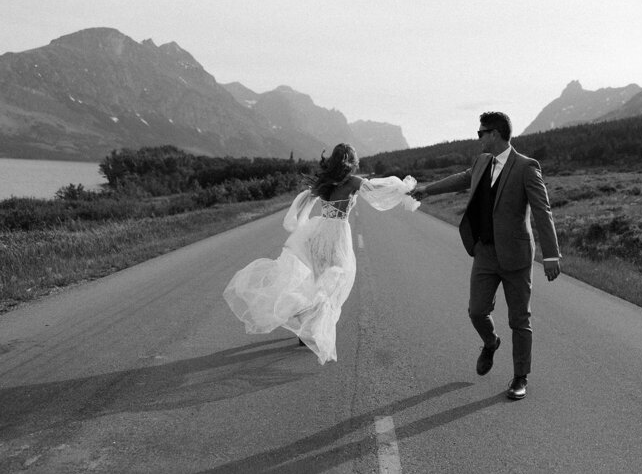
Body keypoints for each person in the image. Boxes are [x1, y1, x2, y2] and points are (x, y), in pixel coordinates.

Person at [223, 143, 419, 364]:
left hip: (318, 234)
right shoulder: (353, 182)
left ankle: (306, 328)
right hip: (336, 237)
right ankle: (313, 329)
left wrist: (299, 223)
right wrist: (404, 189)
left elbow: (305, 199)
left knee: (318, 281)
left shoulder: (325, 183)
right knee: (335, 282)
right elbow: (376, 192)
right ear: (351, 162)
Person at [411, 112, 561, 400]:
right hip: (484, 252)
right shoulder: (482, 162)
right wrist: (427, 190)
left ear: (496, 133)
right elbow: (464, 179)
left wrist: (552, 255)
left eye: (481, 132)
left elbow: (543, 210)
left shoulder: (526, 167)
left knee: (520, 319)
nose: (478, 137)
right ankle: (491, 342)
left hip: (516, 255)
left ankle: (520, 378)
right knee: (477, 311)